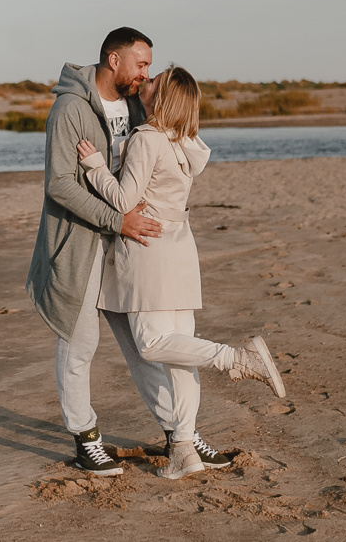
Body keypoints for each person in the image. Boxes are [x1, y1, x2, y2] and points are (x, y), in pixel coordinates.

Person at [27, 27, 228, 477]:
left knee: (144, 349)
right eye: (140, 64)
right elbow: (59, 184)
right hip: (81, 243)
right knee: (80, 344)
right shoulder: (69, 109)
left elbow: (165, 143)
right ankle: (86, 438)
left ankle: (181, 434)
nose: (145, 74)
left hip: (129, 249)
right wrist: (118, 219)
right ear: (113, 60)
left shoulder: (138, 103)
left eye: (150, 67)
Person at [76, 65, 286, 480]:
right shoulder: (186, 142)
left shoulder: (147, 139)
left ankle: (235, 358)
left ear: (163, 98)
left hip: (150, 252)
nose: (145, 82)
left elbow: (123, 199)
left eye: (154, 82)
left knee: (153, 346)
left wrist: (96, 166)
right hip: (181, 250)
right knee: (180, 361)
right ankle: (184, 452)